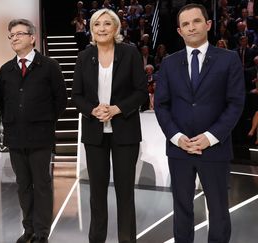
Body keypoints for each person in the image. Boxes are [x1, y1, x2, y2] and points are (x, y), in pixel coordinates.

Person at [154, 4, 245, 243]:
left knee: (218, 210)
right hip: (179, 150)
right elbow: (161, 105)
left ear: (208, 24)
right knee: (182, 210)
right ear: (179, 31)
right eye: (185, 24)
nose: (191, 27)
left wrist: (210, 136)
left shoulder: (229, 59)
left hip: (215, 148)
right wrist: (176, 137)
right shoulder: (169, 63)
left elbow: (235, 103)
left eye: (196, 21)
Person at [72, 9, 147, 243]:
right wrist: (92, 110)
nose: (101, 28)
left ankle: (126, 239)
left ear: (116, 28)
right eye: (96, 24)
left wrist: (117, 109)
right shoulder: (85, 56)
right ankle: (97, 239)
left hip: (125, 131)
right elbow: (77, 95)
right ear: (91, 30)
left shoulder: (130, 53)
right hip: (95, 134)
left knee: (125, 192)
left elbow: (141, 91)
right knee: (96, 192)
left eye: (106, 24)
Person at [0, 19, 67, 243]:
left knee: (42, 185)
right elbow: (3, 102)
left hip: (41, 137)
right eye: (11, 35)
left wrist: (45, 122)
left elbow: (60, 101)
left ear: (32, 38)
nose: (15, 38)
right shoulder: (6, 69)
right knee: (23, 186)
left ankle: (41, 232)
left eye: (19, 34)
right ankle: (28, 229)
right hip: (16, 138)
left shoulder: (49, 65)